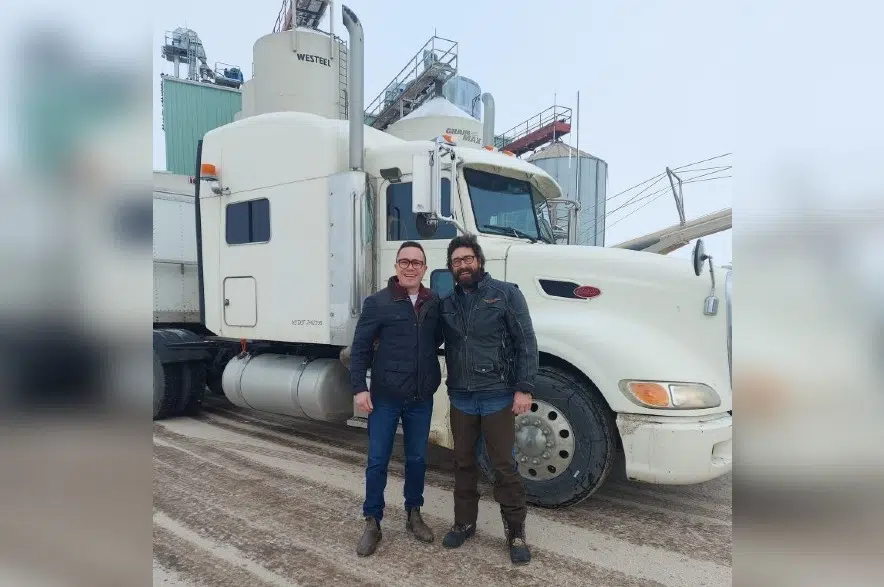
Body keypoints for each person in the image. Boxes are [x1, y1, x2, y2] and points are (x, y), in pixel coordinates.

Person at [439, 234, 537, 565]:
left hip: (497, 395)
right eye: (456, 261)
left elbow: (526, 342)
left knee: (504, 466)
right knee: (463, 463)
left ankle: (516, 532)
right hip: (462, 397)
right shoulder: (447, 304)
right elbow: (426, 339)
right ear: (450, 267)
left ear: (480, 261)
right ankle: (464, 523)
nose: (463, 266)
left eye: (468, 259)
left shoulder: (506, 295)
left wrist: (524, 387)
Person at [347, 241, 443, 557]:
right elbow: (360, 348)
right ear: (397, 266)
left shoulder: (433, 303)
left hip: (420, 398)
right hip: (385, 397)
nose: (411, 266)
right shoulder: (378, 303)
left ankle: (413, 513)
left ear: (425, 268)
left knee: (417, 460)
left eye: (417, 262)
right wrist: (359, 388)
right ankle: (372, 520)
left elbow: (437, 341)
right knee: (377, 461)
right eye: (405, 261)